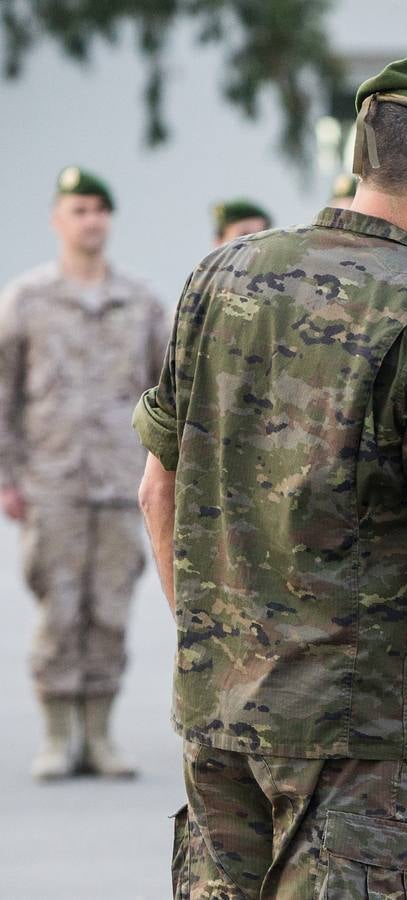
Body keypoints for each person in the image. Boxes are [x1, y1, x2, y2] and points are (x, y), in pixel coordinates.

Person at [135, 53, 407, 896]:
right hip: (353, 743)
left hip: (219, 720)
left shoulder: (223, 274)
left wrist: (222, 653)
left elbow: (156, 488)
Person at [0, 165, 168, 781]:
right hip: (52, 482)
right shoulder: (25, 300)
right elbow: (4, 393)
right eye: (78, 209)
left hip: (122, 480)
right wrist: (6, 475)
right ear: (57, 219)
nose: (90, 219)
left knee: (111, 608)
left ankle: (98, 734)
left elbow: (166, 391)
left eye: (99, 208)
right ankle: (55, 732)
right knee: (58, 607)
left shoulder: (143, 303)